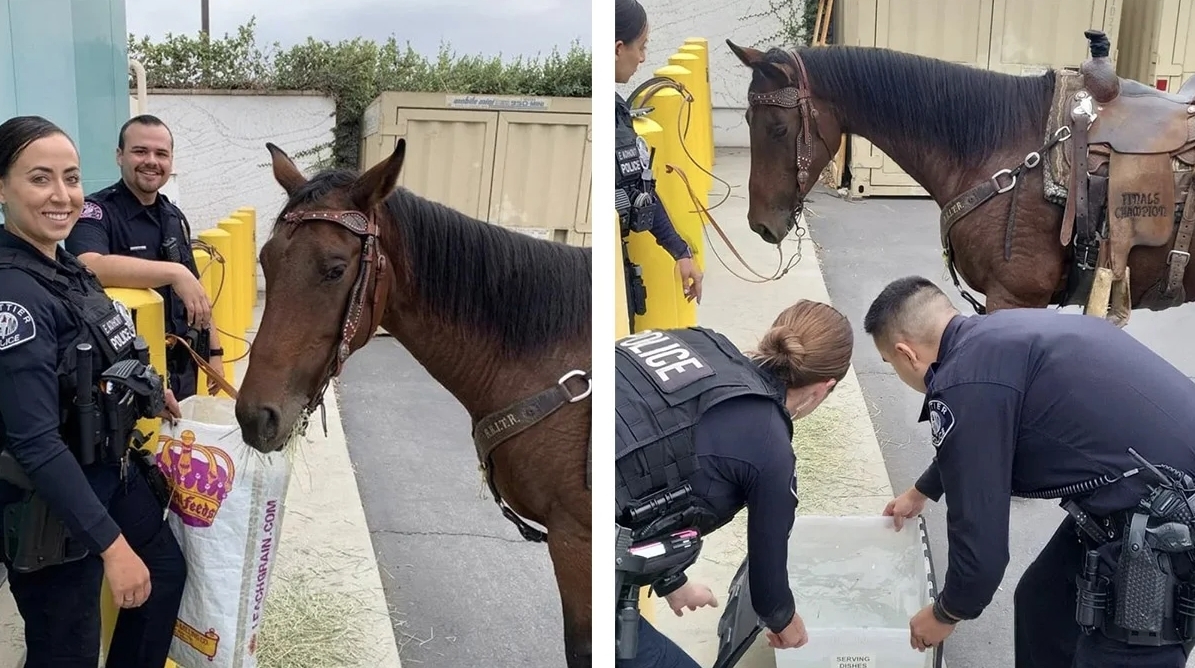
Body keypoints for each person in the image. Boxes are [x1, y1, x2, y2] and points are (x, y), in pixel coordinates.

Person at [863, 276, 1195, 667]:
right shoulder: (998, 338)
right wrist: (922, 491)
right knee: (1044, 602)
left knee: (1114, 655)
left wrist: (945, 614)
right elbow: (981, 439)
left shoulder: (964, 380)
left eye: (890, 363)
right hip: (1141, 495)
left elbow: (981, 550)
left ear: (906, 354)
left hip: (1168, 524)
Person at [0, 115, 187, 667]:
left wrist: (151, 390)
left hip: (109, 467)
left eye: (72, 178)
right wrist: (112, 548)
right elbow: (34, 443)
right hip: (51, 507)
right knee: (68, 650)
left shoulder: (64, 268)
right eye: (40, 179)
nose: (62, 196)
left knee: (165, 572)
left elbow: (112, 344)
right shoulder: (15, 297)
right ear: (3, 188)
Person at [614, 299, 855, 666]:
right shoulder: (771, 447)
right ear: (823, 388)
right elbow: (770, 595)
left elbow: (659, 458)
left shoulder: (704, 342)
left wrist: (672, 582)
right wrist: (787, 624)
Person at [64, 114, 225, 401]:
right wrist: (174, 272)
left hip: (183, 367)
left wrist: (215, 354)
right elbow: (89, 264)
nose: (152, 160)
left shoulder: (174, 216)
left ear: (171, 161)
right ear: (119, 156)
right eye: (140, 151)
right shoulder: (96, 212)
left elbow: (197, 294)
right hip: (126, 375)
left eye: (161, 153)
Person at [615, 0, 703, 328]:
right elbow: (640, 196)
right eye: (642, 47)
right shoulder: (612, 114)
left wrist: (680, 251)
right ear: (618, 48)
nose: (642, 58)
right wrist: (681, 251)